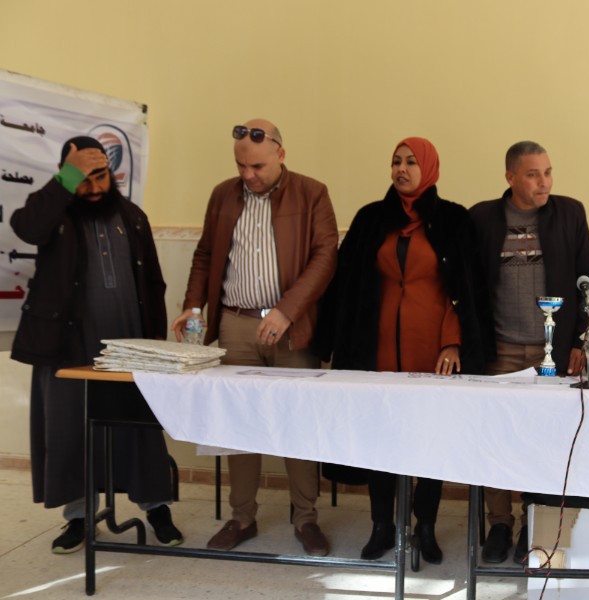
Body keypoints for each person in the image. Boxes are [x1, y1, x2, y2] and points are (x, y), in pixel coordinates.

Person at [314, 137, 491, 565]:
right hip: (376, 351)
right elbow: (347, 282)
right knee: (380, 437)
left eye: (411, 162)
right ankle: (382, 525)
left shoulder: (453, 219)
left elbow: (465, 289)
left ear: (429, 168)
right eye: (396, 161)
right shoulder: (371, 218)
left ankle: (425, 526)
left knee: (429, 438)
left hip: (432, 352)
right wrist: (331, 340)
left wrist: (453, 340)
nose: (402, 169)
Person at [173, 119, 338, 555]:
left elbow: (325, 257)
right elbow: (205, 254)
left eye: (258, 167)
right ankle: (242, 516)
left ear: (280, 154)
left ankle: (306, 519)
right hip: (236, 324)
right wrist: (193, 305)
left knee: (296, 423)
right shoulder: (222, 195)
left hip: (291, 327)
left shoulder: (312, 193)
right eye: (241, 166)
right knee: (238, 423)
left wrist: (287, 310)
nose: (248, 175)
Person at [10, 136, 182, 553]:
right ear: (66, 175)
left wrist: (154, 343)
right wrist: (68, 178)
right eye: (82, 178)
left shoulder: (132, 216)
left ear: (112, 174)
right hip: (66, 344)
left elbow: (153, 282)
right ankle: (79, 517)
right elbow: (26, 228)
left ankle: (156, 509)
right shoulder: (53, 213)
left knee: (139, 427)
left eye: (99, 176)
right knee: (68, 429)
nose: (92, 187)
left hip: (127, 344)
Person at [469, 141, 589, 564]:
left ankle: (533, 523)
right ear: (510, 177)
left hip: (551, 352)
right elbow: (471, 285)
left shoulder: (570, 213)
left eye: (548, 172)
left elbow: (586, 279)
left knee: (546, 440)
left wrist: (579, 341)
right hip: (501, 349)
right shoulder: (483, 217)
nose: (544, 182)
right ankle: (499, 523)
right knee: (496, 438)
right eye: (533, 174)